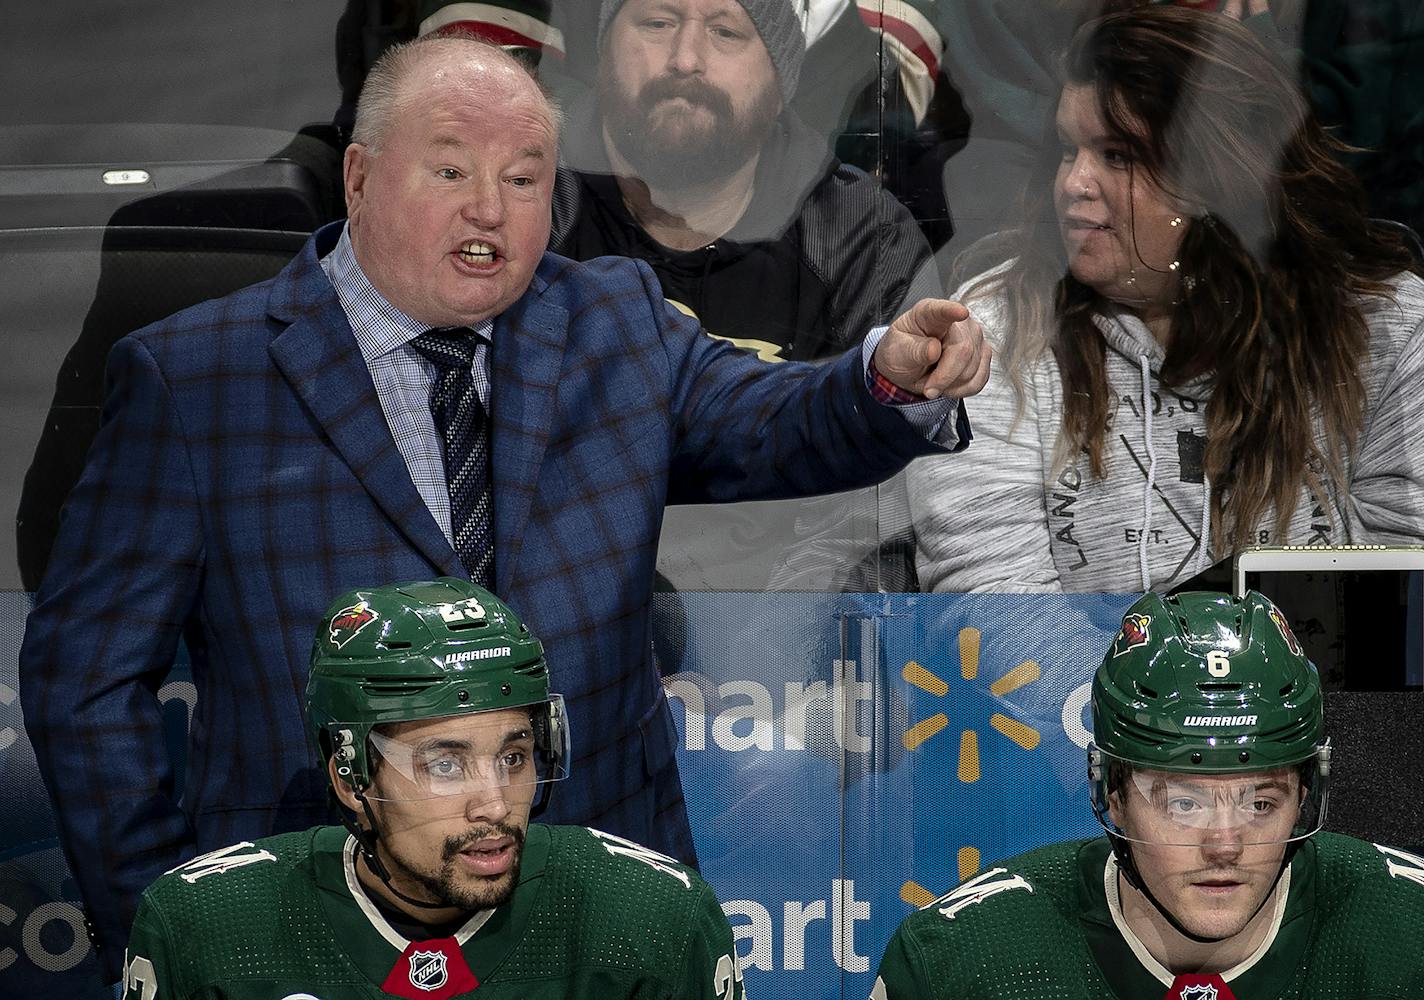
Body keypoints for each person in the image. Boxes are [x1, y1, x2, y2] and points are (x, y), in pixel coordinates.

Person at [19, 34, 989, 982]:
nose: (489, 206)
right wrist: (175, 920)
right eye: (449, 171)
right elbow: (85, 682)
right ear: (358, 179)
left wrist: (888, 377)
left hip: (590, 933)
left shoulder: (614, 321)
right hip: (310, 937)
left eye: (524, 178)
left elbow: (777, 420)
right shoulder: (196, 379)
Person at [908, 4, 1424, 593]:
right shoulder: (997, 332)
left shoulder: (1384, 325)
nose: (1074, 182)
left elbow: (1401, 610)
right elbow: (1000, 622)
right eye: (1067, 149)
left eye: (1118, 156)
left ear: (1215, 175)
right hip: (1081, 689)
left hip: (1324, 689)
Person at [120, 578, 745, 999]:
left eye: (515, 755)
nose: (495, 804)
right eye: (445, 765)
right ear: (349, 774)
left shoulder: (655, 922)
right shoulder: (201, 930)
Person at [872, 589, 1424, 999]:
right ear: (1111, 795)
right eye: (1184, 803)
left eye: (1260, 803)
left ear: (1305, 794)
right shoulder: (960, 964)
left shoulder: (1406, 933)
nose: (1225, 845)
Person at [548, 0, 941, 362]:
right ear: (605, 56)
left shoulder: (861, 242)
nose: (685, 59)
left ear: (779, 84)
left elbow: (897, 422)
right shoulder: (528, 187)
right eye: (658, 23)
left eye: (725, 32)